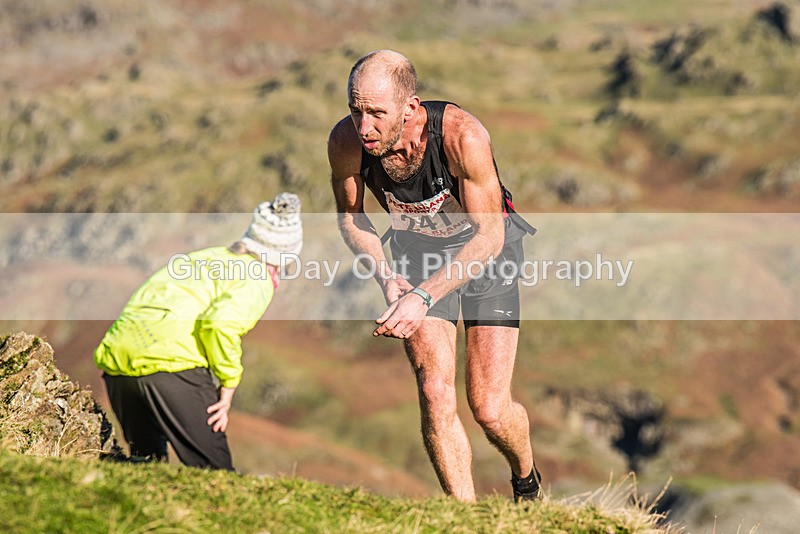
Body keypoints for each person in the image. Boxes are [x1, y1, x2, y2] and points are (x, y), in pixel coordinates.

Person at [328, 50, 541, 502]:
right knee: (434, 390)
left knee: (489, 408)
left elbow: (488, 237)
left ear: (410, 108)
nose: (364, 127)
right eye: (355, 110)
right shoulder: (346, 141)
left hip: (487, 254)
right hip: (416, 255)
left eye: (376, 114)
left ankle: (526, 479)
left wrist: (422, 297)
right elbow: (352, 217)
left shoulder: (462, 137)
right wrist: (386, 276)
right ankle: (463, 519)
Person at [94, 192, 303, 470]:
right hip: (171, 366)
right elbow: (219, 324)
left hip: (119, 364)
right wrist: (229, 384)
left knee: (145, 466)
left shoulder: (207, 257)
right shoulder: (257, 278)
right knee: (216, 474)